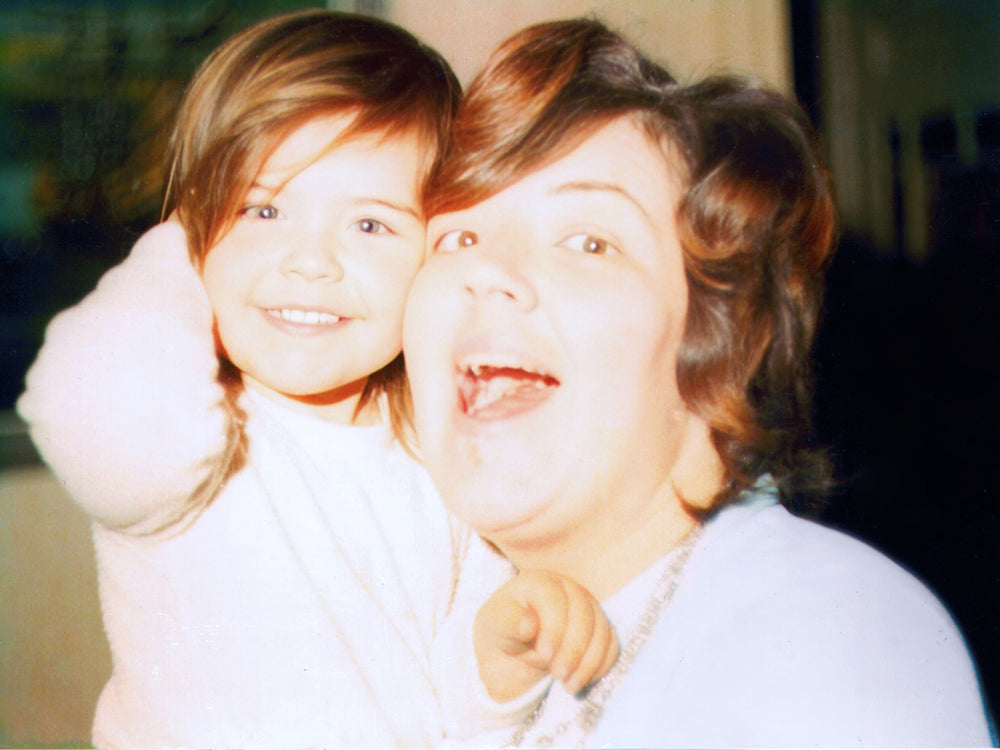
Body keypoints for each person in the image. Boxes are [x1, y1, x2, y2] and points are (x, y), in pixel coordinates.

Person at [16, 11, 617, 748]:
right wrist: (178, 247)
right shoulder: (186, 442)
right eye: (261, 208)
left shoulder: (435, 445)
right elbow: (91, 406)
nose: (310, 261)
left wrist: (504, 644)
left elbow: (453, 713)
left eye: (369, 226)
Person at [402, 18, 995, 747]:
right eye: (455, 236)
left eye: (589, 241)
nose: (483, 269)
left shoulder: (827, 637)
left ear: (727, 341)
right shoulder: (443, 649)